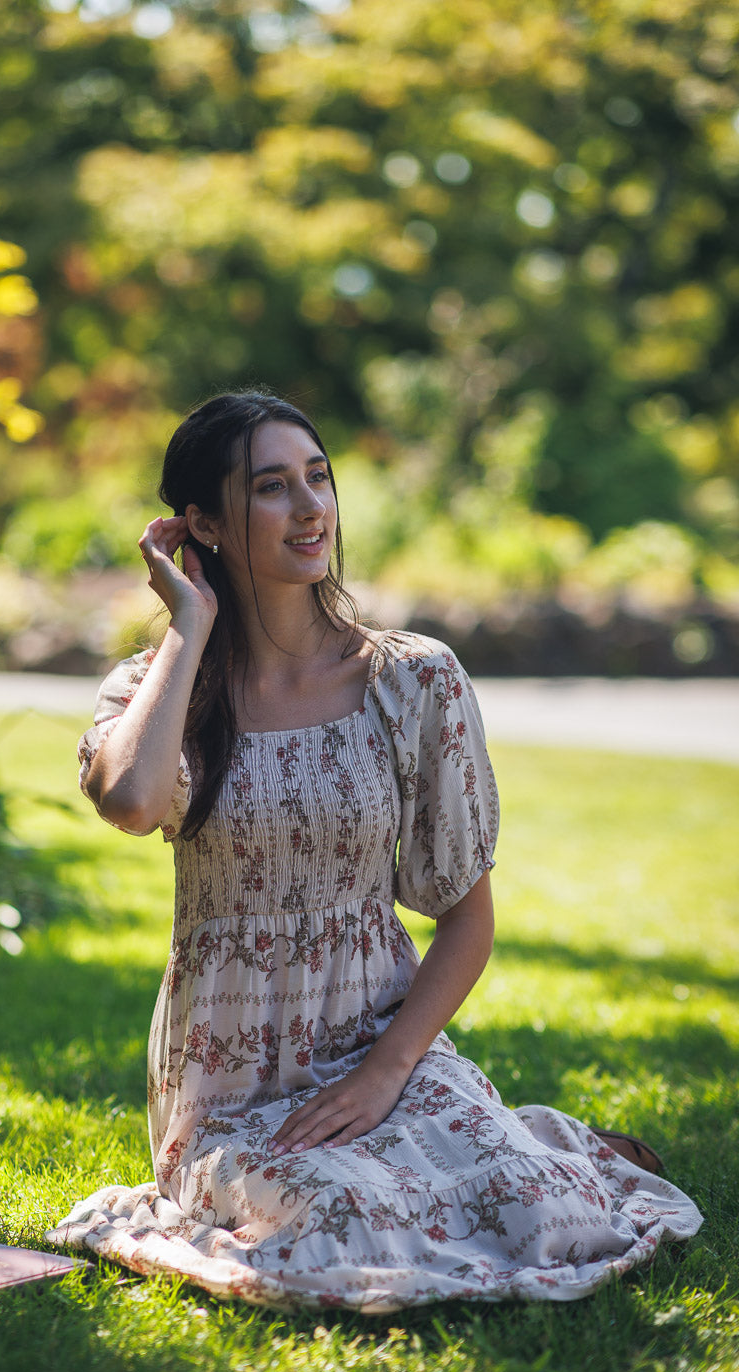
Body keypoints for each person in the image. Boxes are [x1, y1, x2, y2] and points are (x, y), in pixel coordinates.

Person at [48, 391, 702, 1312]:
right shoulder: (168, 688)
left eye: (318, 478)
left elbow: (467, 919)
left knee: (525, 1209)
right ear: (203, 525)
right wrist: (188, 626)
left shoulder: (412, 679)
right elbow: (129, 800)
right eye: (271, 488)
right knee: (333, 1218)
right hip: (231, 1076)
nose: (311, 507)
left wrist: (387, 1070)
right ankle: (516, 1142)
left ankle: (550, 1149)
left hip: (379, 1039)